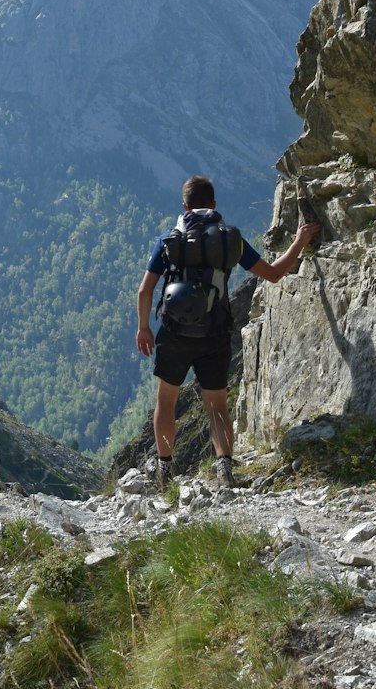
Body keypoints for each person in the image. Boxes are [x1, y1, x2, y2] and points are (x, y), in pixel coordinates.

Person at [136, 174, 319, 491]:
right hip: (214, 333)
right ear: (214, 205)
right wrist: (299, 242)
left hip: (174, 333)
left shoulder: (168, 240)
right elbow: (274, 274)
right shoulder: (229, 241)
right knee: (216, 406)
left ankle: (164, 473)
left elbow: (144, 292)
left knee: (166, 403)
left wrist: (143, 328)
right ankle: (224, 470)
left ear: (185, 206)